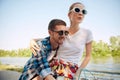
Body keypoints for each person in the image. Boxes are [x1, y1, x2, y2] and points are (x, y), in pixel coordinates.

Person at [30, 2, 93, 80]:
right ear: (69, 15)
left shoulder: (87, 33)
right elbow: (50, 37)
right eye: (77, 10)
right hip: (54, 66)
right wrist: (33, 40)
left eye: (84, 11)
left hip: (71, 69)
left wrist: (78, 72)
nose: (81, 13)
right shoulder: (63, 30)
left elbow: (88, 56)